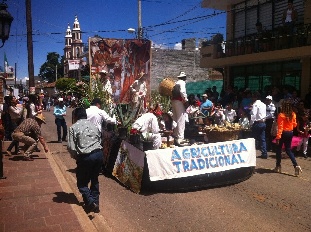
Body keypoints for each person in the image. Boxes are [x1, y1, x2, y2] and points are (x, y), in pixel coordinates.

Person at [67, 108, 103, 213]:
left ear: (76, 116)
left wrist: (77, 157)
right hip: (99, 154)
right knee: (94, 179)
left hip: (86, 156)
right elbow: (99, 139)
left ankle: (91, 203)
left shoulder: (73, 128)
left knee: (82, 183)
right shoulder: (94, 126)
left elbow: (71, 147)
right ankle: (96, 204)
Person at [274, 100, 302, 176]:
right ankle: (296, 165)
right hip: (290, 132)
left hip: (283, 133)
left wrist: (278, 137)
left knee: (278, 149)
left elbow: (280, 127)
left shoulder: (281, 115)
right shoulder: (293, 114)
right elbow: (294, 125)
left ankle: (278, 166)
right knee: (288, 150)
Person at [171, 71, 188, 146]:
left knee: (175, 118)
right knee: (181, 119)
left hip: (173, 101)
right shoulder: (182, 83)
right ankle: (180, 137)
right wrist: (185, 100)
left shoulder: (175, 83)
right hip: (179, 101)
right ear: (184, 78)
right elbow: (182, 92)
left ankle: (175, 135)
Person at [250, 92, 268, 159]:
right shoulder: (263, 104)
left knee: (253, 138)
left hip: (257, 123)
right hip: (263, 122)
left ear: (255, 97)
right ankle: (264, 153)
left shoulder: (255, 104)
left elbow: (253, 115)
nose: (252, 98)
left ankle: (252, 153)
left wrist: (251, 124)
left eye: (253, 97)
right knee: (262, 139)